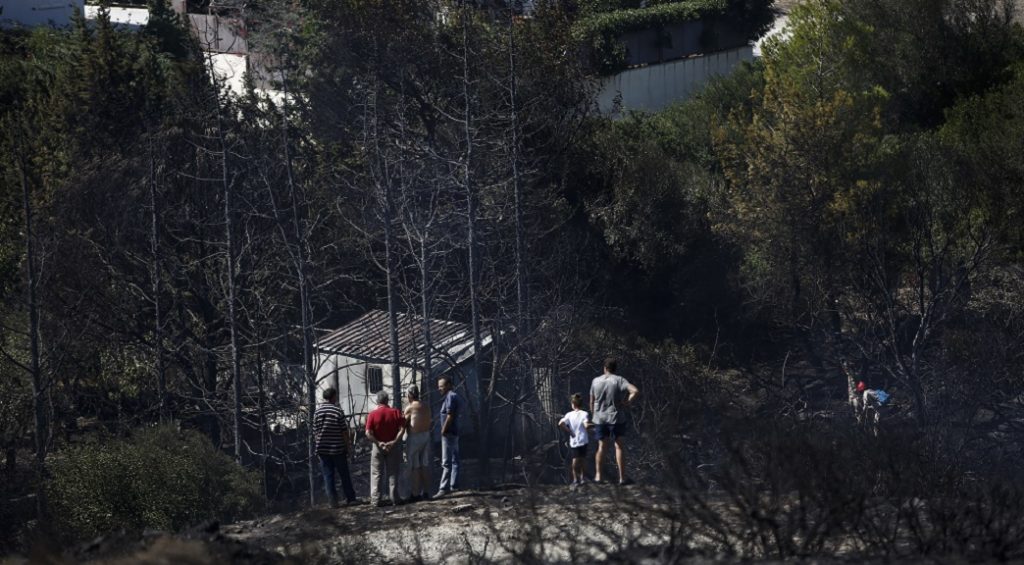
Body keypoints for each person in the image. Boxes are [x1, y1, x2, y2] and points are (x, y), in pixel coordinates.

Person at [590, 357, 639, 485]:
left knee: (601, 447)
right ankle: (622, 478)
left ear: (604, 368)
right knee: (619, 446)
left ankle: (598, 477)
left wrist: (594, 415)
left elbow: (592, 400)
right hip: (616, 417)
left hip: (600, 417)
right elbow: (634, 391)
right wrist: (626, 402)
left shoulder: (596, 381)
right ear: (615, 368)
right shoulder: (619, 380)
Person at [313, 387, 356, 507]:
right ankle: (350, 498)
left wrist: (318, 447)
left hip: (322, 449)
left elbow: (315, 432)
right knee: (344, 474)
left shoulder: (317, 412)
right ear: (333, 397)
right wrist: (348, 446)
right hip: (337, 448)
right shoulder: (337, 411)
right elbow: (344, 431)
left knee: (328, 475)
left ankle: (333, 502)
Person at [365, 390, 406, 507]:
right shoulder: (396, 412)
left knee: (376, 473)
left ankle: (375, 500)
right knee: (392, 473)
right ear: (387, 400)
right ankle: (394, 498)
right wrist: (394, 442)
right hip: (392, 446)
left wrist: (378, 442)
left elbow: (368, 433)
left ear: (377, 401)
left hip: (378, 447)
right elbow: (402, 429)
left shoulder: (372, 414)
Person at [403, 385, 432, 502]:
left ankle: (415, 494)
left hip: (415, 438)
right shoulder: (426, 406)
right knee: (424, 464)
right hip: (426, 435)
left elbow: (404, 424)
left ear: (410, 395)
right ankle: (427, 491)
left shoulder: (410, 408)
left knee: (415, 466)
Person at [558, 393, 592, 489]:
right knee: (582, 460)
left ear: (573, 404)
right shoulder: (584, 414)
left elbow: (560, 423)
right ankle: (582, 479)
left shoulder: (569, 415)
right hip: (583, 440)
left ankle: (576, 480)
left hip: (574, 441)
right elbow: (586, 426)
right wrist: (595, 425)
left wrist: (570, 432)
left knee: (575, 460)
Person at [435, 376, 460, 498]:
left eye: (441, 386)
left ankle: (443, 488)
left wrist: (443, 430)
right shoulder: (451, 396)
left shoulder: (450, 396)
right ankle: (454, 485)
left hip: (448, 433)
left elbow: (450, 415)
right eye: (439, 386)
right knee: (455, 460)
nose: (439, 388)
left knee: (446, 462)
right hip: (454, 432)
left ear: (449, 385)